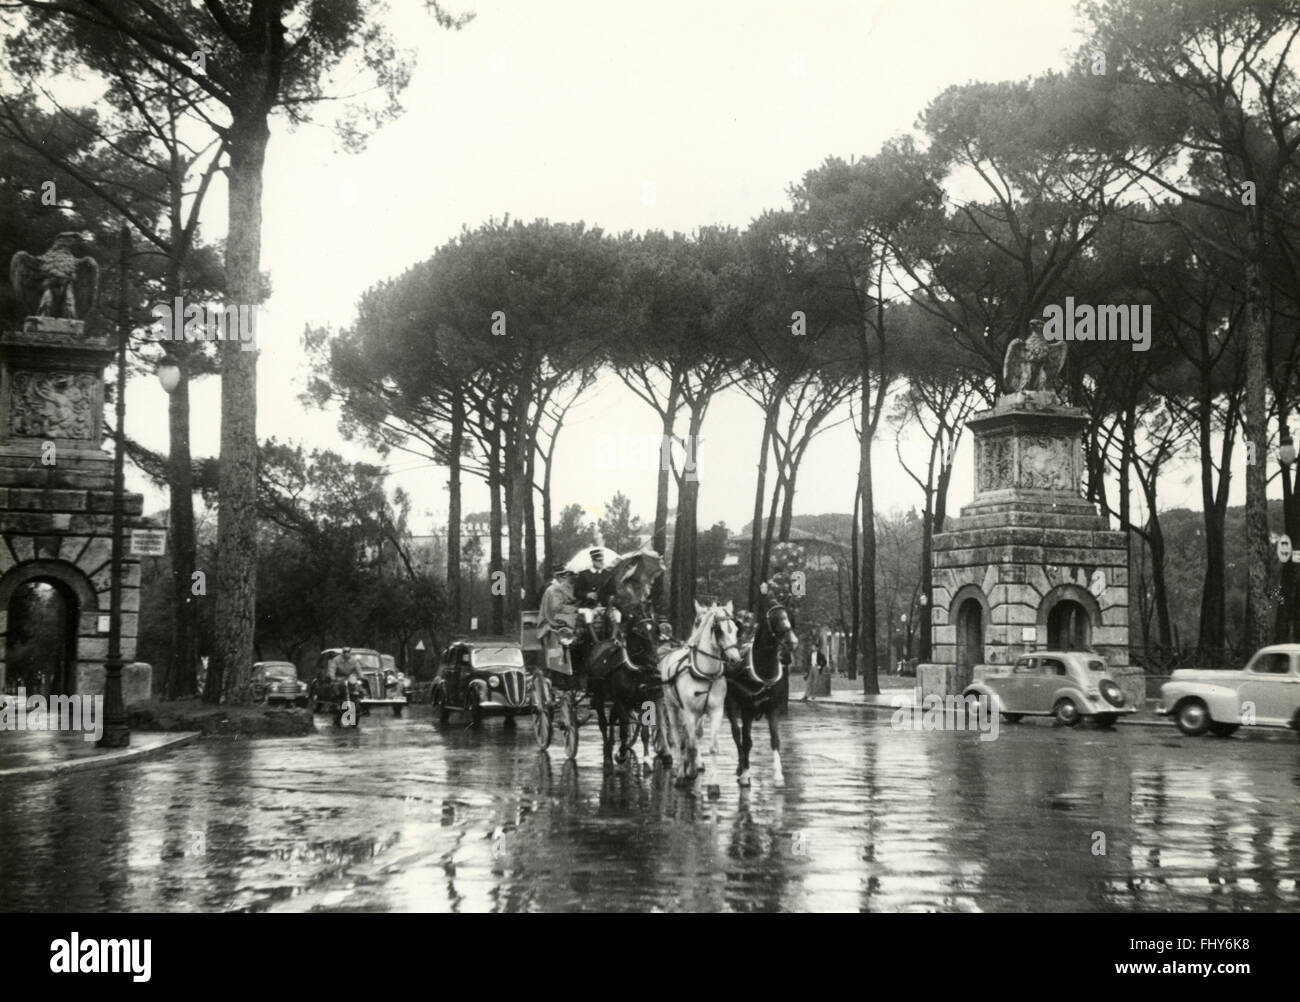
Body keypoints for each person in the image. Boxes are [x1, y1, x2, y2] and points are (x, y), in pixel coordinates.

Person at [537, 566, 578, 672]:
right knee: (556, 651)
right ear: (560, 577)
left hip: (555, 621)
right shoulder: (554, 589)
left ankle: (561, 673)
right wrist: (575, 608)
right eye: (566, 577)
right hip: (551, 624)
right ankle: (558, 675)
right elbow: (556, 607)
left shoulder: (556, 588)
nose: (567, 580)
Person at [801, 634, 828, 701]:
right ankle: (806, 695)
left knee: (815, 682)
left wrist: (820, 666)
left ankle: (813, 695)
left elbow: (824, 662)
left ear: (817, 648)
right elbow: (807, 663)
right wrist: (806, 671)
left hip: (816, 668)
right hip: (810, 668)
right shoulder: (809, 655)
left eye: (813, 647)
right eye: (812, 647)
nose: (812, 648)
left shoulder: (820, 654)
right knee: (808, 682)